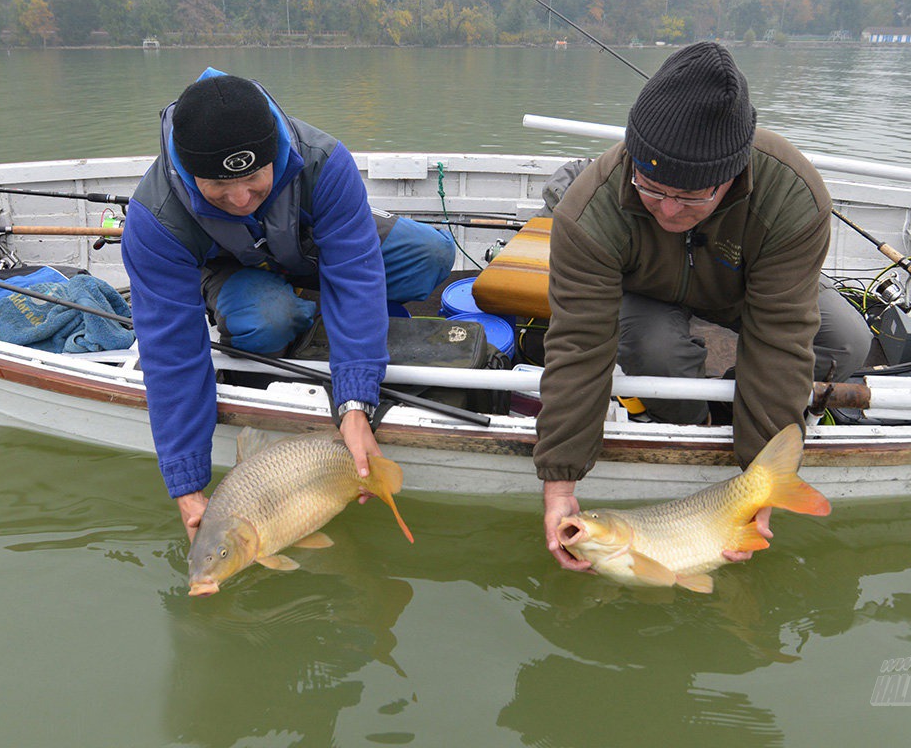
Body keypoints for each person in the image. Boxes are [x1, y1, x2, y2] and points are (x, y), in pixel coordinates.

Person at [535, 42, 871, 571]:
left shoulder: (793, 195)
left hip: (745, 289)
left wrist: (758, 487)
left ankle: (739, 419)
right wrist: (560, 482)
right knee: (657, 350)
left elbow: (782, 335)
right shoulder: (589, 208)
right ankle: (694, 431)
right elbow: (578, 345)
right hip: (644, 292)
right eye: (651, 188)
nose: (669, 209)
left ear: (733, 176)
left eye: (693, 197)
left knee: (848, 340)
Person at [123, 69, 455, 540]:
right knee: (269, 320)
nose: (239, 198)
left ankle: (337, 324)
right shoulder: (154, 220)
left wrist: (356, 403)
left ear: (275, 153)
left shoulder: (325, 161)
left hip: (311, 249)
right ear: (188, 169)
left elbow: (357, 275)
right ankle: (317, 314)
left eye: (255, 178)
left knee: (431, 255)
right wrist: (188, 486)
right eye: (217, 185)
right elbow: (172, 352)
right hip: (230, 270)